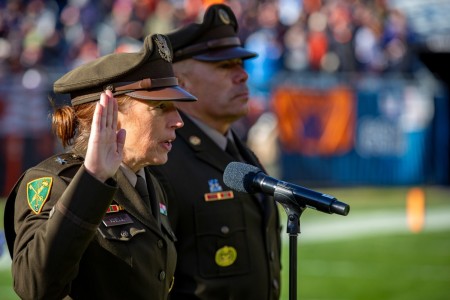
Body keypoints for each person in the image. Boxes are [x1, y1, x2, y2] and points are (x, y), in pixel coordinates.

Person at [3, 33, 197, 300]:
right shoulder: (56, 182)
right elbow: (34, 286)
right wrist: (92, 179)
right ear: (109, 115)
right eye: (160, 106)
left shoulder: (150, 183)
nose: (178, 120)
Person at [150, 4, 282, 299]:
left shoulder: (239, 152)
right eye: (224, 66)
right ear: (180, 82)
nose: (242, 75)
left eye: (240, 64)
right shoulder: (162, 161)